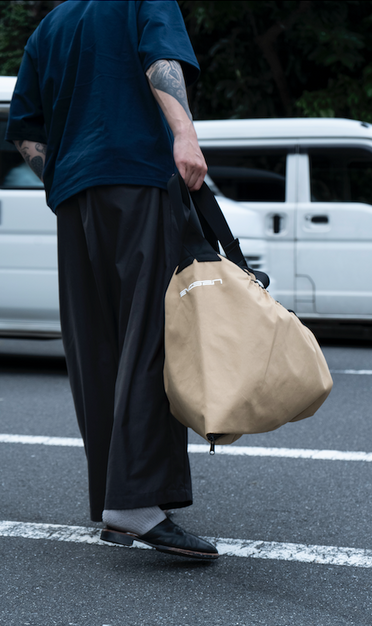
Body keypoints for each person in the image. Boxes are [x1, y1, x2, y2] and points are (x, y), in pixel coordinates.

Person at [6, 0, 219, 560]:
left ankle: (115, 499)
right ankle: (138, 501)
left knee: (95, 350)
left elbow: (24, 126)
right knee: (150, 335)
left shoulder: (50, 26)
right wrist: (185, 135)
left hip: (74, 197)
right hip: (136, 179)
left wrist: (64, 172)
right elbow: (161, 61)